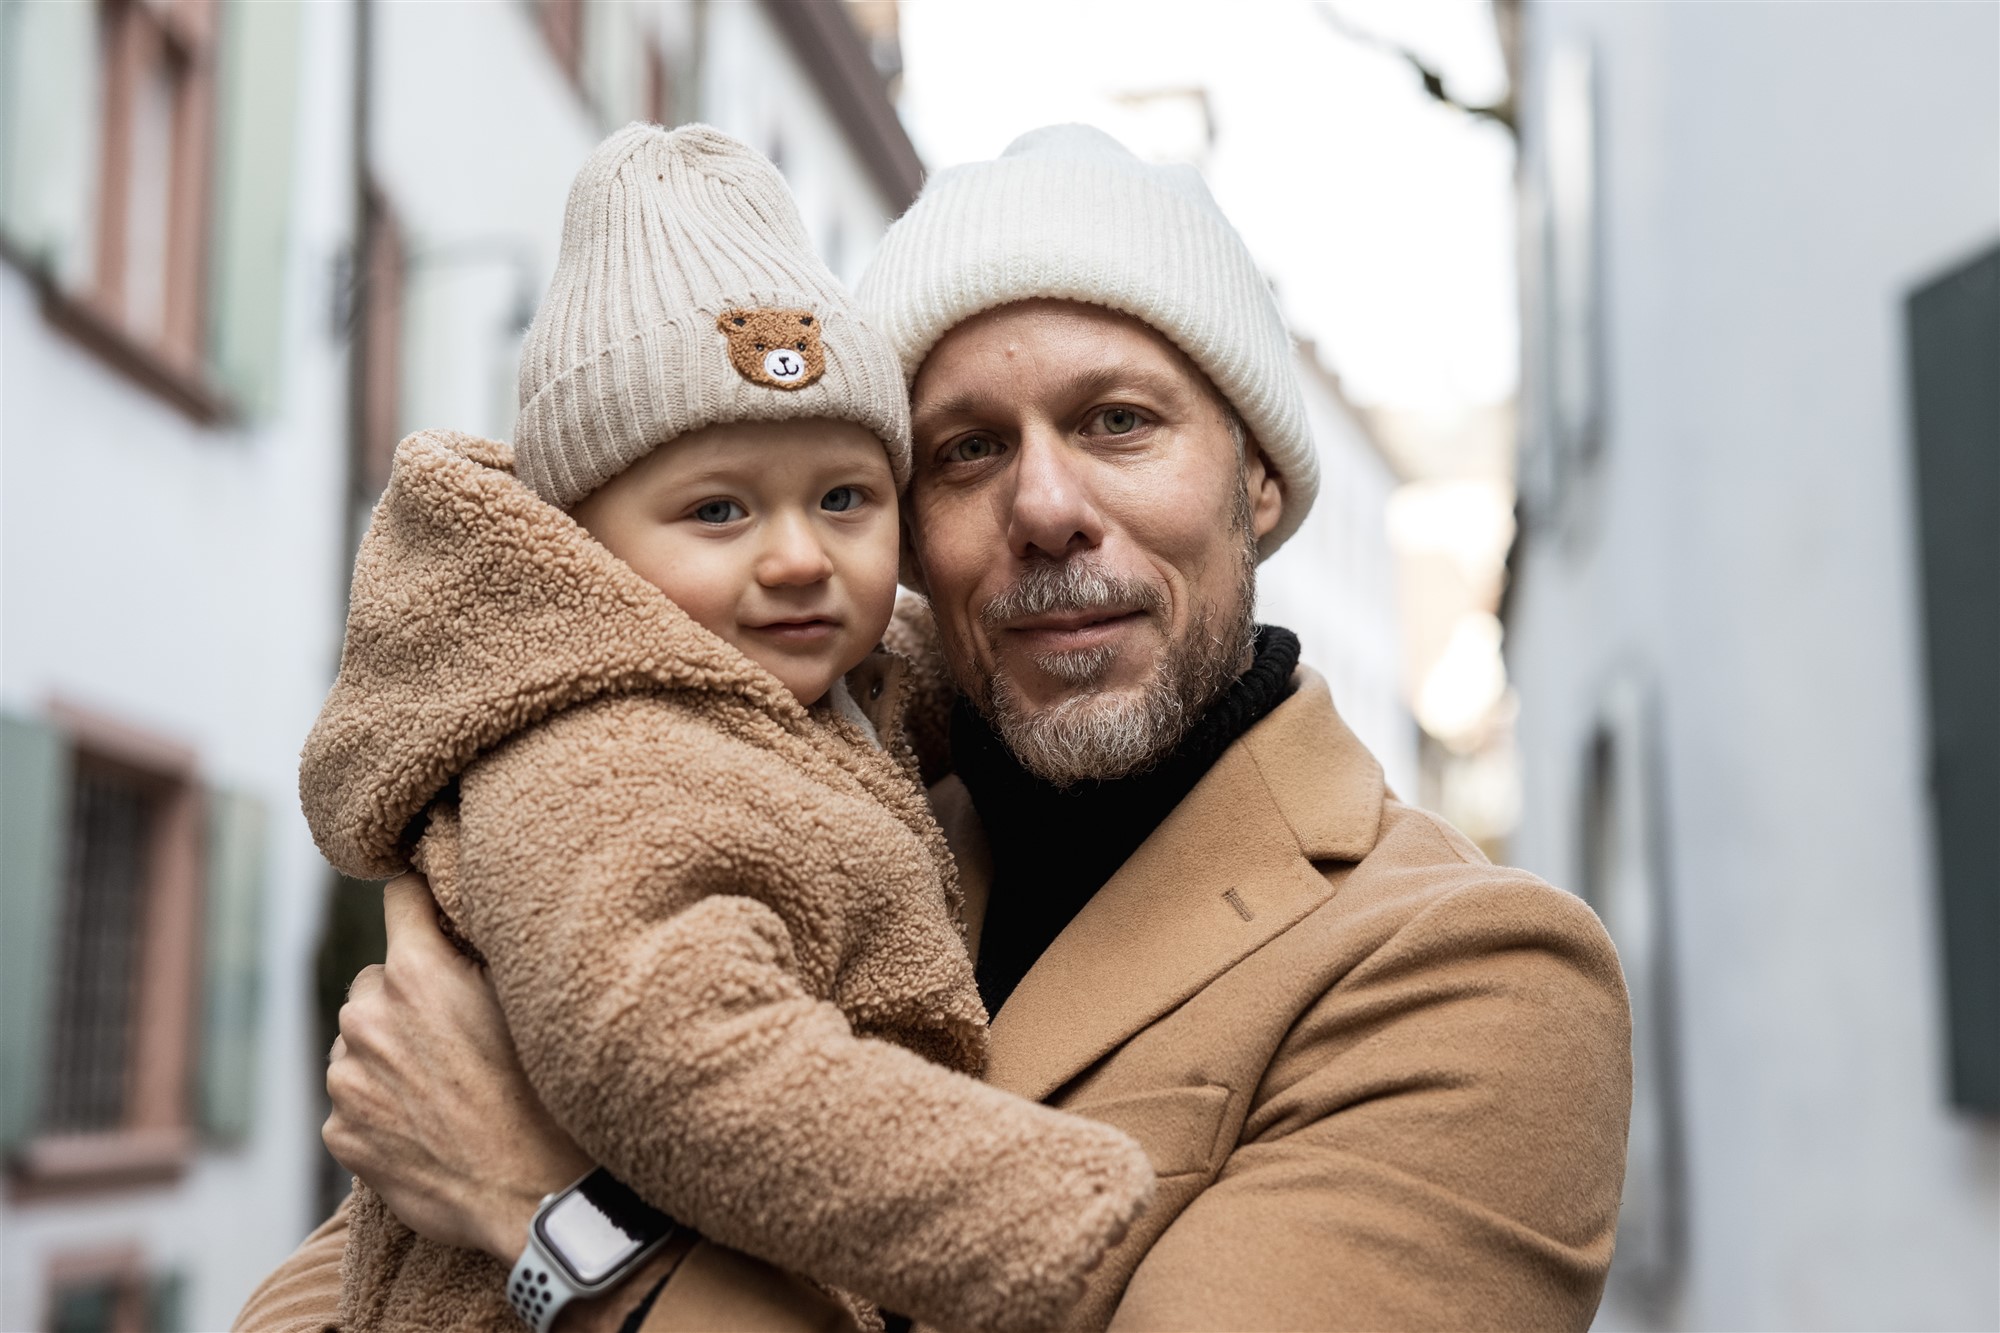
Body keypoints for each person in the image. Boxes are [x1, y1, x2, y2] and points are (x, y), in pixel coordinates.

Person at [242, 125, 1631, 1332]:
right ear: (911, 533)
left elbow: (481, 1160)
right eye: (966, 450)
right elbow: (356, 1267)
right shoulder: (773, 792)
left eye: (1119, 422)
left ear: (1259, 485)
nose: (1044, 507)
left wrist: (555, 1215)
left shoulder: (1477, 975)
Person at [293, 122, 1154, 1333]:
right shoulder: (595, 758)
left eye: (844, 497)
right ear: (579, 543)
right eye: (717, 509)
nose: (799, 558)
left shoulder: (797, 689)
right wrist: (1044, 1206)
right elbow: (674, 1055)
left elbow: (914, 667)